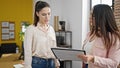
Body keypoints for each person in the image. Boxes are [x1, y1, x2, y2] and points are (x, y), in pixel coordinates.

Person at [24, 1, 60, 68]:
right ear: (37, 13)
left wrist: (56, 62)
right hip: (37, 63)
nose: (47, 17)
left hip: (51, 63)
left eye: (49, 14)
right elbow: (27, 50)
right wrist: (27, 66)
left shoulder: (51, 29)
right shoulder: (31, 29)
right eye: (44, 14)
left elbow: (54, 47)